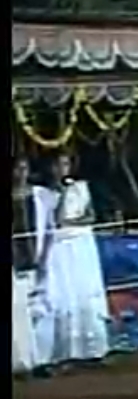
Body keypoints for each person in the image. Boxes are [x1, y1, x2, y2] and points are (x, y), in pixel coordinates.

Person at [37, 153, 112, 367]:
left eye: (65, 164)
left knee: (85, 290)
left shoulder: (80, 187)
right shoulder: (44, 193)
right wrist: (62, 195)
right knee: (64, 293)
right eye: (58, 164)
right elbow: (57, 220)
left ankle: (92, 349)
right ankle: (63, 351)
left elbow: (90, 215)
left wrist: (75, 222)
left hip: (82, 244)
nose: (62, 168)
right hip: (60, 248)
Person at [12, 156, 55, 376]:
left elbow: (50, 229)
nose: (21, 174)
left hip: (36, 258)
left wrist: (44, 256)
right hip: (15, 259)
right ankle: (23, 361)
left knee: (41, 309)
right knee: (19, 312)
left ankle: (42, 359)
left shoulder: (40, 195)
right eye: (17, 169)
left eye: (24, 169)